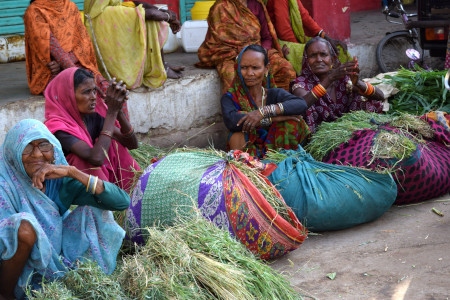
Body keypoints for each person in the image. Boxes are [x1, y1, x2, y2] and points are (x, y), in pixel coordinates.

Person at [0, 119, 130, 300]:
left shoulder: (59, 182)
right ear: (13, 152)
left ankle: (76, 278)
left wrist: (73, 172)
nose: (37, 154)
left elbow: (122, 202)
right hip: (11, 268)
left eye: (44, 146)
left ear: (54, 150)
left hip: (54, 256)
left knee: (94, 211)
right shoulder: (4, 183)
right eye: (27, 148)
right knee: (24, 227)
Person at [44, 67, 140, 193]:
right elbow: (96, 158)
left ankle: (134, 193)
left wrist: (118, 110)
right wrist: (111, 113)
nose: (94, 97)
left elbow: (132, 144)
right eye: (86, 92)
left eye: (94, 91)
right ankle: (108, 198)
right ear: (68, 96)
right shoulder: (58, 127)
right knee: (82, 160)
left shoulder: (90, 117)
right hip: (68, 187)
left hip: (98, 181)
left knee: (114, 144)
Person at [221, 44, 312, 158]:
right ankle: (250, 172)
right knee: (236, 136)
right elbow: (232, 122)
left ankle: (287, 162)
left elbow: (301, 104)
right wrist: (272, 119)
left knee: (293, 122)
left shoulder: (274, 94)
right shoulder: (229, 97)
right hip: (250, 153)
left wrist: (263, 112)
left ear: (266, 69)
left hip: (278, 150)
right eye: (244, 67)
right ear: (237, 68)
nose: (249, 73)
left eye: (255, 68)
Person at [196, 0, 296, 93]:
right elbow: (215, 42)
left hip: (258, 51)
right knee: (231, 76)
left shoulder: (256, 5)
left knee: (285, 68)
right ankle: (241, 110)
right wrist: (241, 55)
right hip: (230, 54)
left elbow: (266, 37)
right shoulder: (220, 7)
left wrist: (261, 53)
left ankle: (278, 105)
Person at [83, 0, 184, 90]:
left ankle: (161, 65)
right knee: (147, 19)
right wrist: (169, 16)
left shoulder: (113, 4)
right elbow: (151, 15)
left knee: (145, 17)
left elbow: (134, 3)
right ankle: (159, 68)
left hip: (118, 45)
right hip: (111, 61)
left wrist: (163, 12)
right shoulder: (104, 13)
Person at [291, 37, 385, 133]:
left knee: (363, 96)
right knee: (306, 109)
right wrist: (330, 78)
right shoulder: (300, 83)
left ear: (332, 59)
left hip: (349, 130)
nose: (319, 59)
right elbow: (302, 105)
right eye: (313, 56)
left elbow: (380, 96)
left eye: (323, 54)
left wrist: (357, 83)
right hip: (320, 137)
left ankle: (367, 133)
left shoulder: (342, 80)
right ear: (306, 60)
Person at [24, 0, 109, 95]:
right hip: (50, 72)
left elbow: (83, 45)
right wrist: (80, 76)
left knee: (107, 87)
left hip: (75, 64)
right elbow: (53, 47)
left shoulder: (70, 7)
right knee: (78, 91)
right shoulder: (34, 11)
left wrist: (62, 64)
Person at [265, 0, 351, 74]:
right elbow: (284, 31)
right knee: (312, 54)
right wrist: (299, 49)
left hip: (293, 39)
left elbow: (304, 15)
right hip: (278, 42)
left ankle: (346, 83)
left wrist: (324, 35)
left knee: (337, 49)